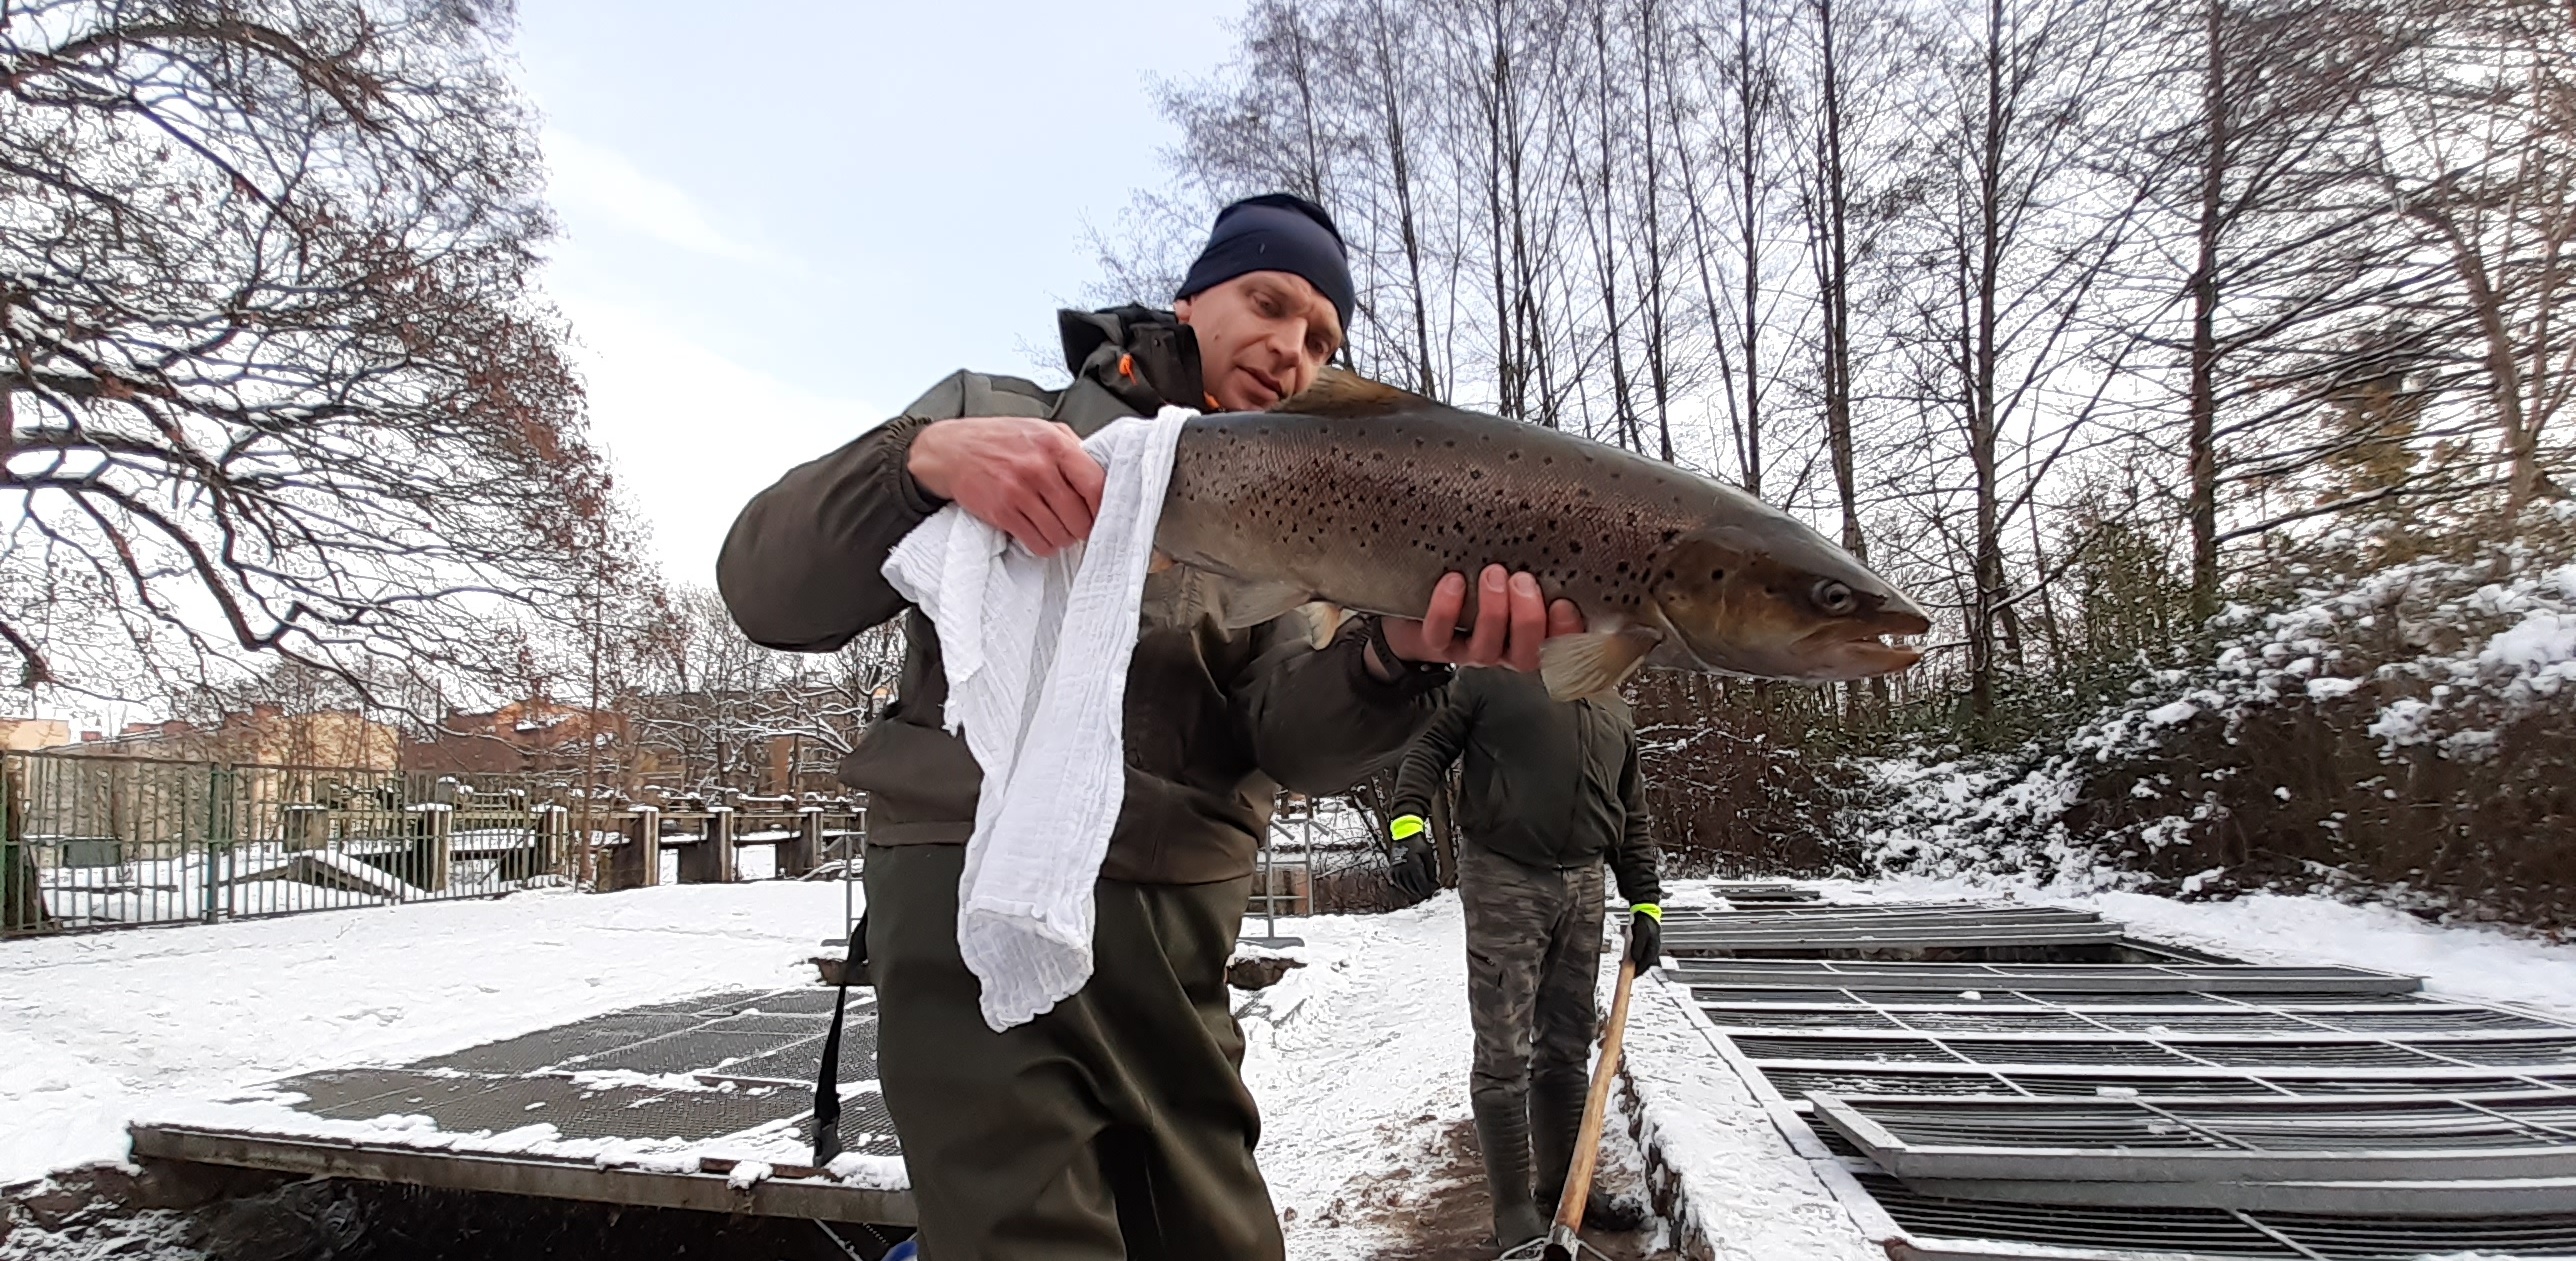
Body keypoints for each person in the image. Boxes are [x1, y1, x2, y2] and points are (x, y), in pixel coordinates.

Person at [718, 193, 1583, 1261]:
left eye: (1322, 337)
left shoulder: (1307, 522)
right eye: (1267, 302)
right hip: (967, 894)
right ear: (1190, 299)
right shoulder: (997, 415)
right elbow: (764, 591)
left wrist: (1390, 654)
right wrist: (916, 460)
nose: (1291, 347)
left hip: (1180, 933)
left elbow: (1291, 745)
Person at [1387, 666, 1664, 1249]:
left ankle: (1566, 1191)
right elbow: (1427, 749)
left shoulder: (1613, 703)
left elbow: (1631, 811)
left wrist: (1645, 903)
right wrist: (1408, 828)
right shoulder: (1489, 678)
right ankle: (1513, 1207)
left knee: (1567, 1044)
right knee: (1504, 1048)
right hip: (1504, 876)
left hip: (1585, 883)